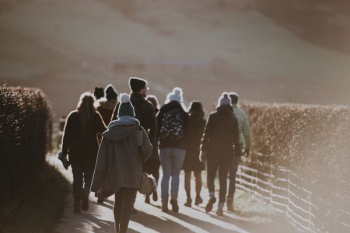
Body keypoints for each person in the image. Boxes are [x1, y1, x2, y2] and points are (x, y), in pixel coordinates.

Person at [91, 94, 153, 233]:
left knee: (118, 201)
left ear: (119, 115)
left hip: (115, 173)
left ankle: (117, 228)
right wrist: (140, 159)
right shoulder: (138, 130)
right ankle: (123, 230)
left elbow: (101, 159)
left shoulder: (109, 133)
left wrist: (95, 184)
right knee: (128, 203)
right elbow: (148, 149)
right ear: (132, 114)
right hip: (133, 172)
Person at [111, 77, 157, 213]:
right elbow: (154, 128)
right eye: (146, 88)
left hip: (121, 144)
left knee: (121, 172)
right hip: (138, 146)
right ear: (142, 90)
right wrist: (147, 142)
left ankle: (121, 202)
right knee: (136, 174)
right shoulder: (148, 106)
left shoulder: (122, 104)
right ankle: (130, 203)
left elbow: (112, 124)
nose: (147, 91)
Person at [60, 92, 107, 213]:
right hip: (92, 153)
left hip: (75, 153)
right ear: (93, 104)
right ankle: (86, 190)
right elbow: (104, 132)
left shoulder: (72, 116)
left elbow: (66, 137)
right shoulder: (95, 116)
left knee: (77, 177)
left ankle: (77, 201)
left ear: (80, 103)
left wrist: (64, 153)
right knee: (89, 176)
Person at [200, 93, 241, 216]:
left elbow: (206, 135)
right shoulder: (233, 119)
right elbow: (237, 139)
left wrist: (203, 150)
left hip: (213, 150)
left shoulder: (213, 116)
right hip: (227, 152)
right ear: (229, 105)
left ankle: (212, 195)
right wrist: (237, 155)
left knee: (210, 176)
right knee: (223, 179)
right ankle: (220, 207)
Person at [157, 87, 191, 213]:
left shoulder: (162, 111)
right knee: (176, 174)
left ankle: (164, 202)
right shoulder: (184, 114)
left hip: (164, 147)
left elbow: (156, 129)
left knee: (165, 175)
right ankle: (174, 197)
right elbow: (189, 133)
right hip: (180, 148)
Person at [227, 92, 250, 211]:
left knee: (222, 173)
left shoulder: (222, 113)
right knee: (233, 174)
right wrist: (247, 147)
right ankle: (230, 200)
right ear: (237, 101)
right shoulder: (242, 114)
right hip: (238, 146)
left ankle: (221, 198)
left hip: (224, 146)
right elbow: (246, 133)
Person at [182, 101, 206, 207]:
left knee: (187, 174)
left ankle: (188, 198)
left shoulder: (187, 120)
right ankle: (197, 196)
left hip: (187, 150)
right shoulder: (203, 121)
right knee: (198, 175)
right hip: (198, 149)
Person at [143, 95, 161, 204]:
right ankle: (154, 188)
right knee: (155, 173)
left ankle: (147, 194)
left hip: (145, 149)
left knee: (146, 173)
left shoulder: (144, 114)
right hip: (155, 150)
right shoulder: (159, 115)